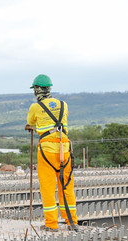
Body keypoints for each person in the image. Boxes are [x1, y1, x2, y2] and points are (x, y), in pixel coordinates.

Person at [25, 74, 78, 232]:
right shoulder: (64, 104)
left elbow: (31, 122)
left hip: (47, 150)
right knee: (66, 186)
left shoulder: (36, 107)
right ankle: (71, 221)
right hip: (65, 149)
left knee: (48, 188)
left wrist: (33, 127)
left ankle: (51, 224)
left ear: (37, 90)